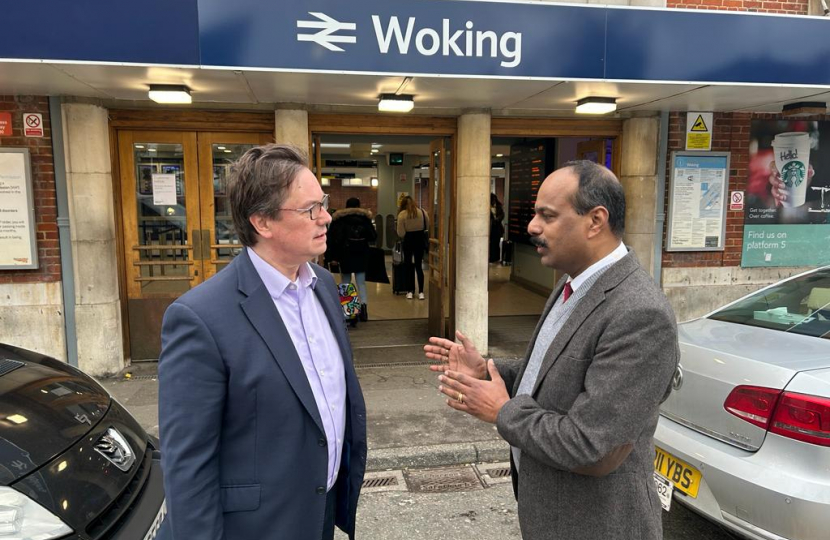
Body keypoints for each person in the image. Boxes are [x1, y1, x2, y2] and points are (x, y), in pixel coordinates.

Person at [424, 160, 679, 540]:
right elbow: (548, 372)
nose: (532, 227)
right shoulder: (571, 284)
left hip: (597, 524)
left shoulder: (639, 313)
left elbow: (589, 445)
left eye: (547, 215)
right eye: (535, 214)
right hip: (553, 515)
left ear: (596, 221)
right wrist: (489, 371)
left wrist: (502, 410)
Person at [157, 144, 367, 540]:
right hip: (253, 527)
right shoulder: (198, 318)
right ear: (262, 223)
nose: (326, 217)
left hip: (317, 512)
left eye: (323, 203)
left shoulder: (323, 286)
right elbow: (187, 464)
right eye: (310, 210)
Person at [328, 197, 377, 321]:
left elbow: (333, 239)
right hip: (361, 253)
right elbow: (373, 236)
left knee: (346, 282)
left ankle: (349, 311)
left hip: (345, 254)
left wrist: (333, 256)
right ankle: (364, 308)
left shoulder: (339, 219)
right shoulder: (365, 219)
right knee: (361, 282)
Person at [396, 195, 429, 300]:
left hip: (408, 241)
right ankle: (421, 292)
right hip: (419, 240)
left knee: (408, 266)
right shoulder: (422, 212)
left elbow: (400, 233)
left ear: (403, 204)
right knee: (419, 266)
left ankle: (410, 291)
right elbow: (427, 226)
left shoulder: (402, 214)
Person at [489, 193, 505, 263]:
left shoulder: (498, 206)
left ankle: (496, 257)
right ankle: (492, 257)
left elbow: (502, 215)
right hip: (491, 228)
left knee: (496, 243)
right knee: (492, 244)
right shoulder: (487, 207)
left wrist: (497, 220)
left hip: (497, 228)